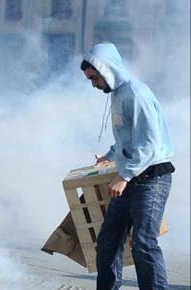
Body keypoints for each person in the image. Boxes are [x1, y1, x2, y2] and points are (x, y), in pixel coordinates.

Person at [81, 42, 175, 290]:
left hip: (151, 177)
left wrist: (123, 175)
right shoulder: (117, 94)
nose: (93, 84)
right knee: (108, 240)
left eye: (94, 78)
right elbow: (127, 137)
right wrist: (110, 155)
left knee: (144, 242)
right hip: (131, 176)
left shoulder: (136, 94)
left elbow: (149, 143)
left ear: (107, 70)